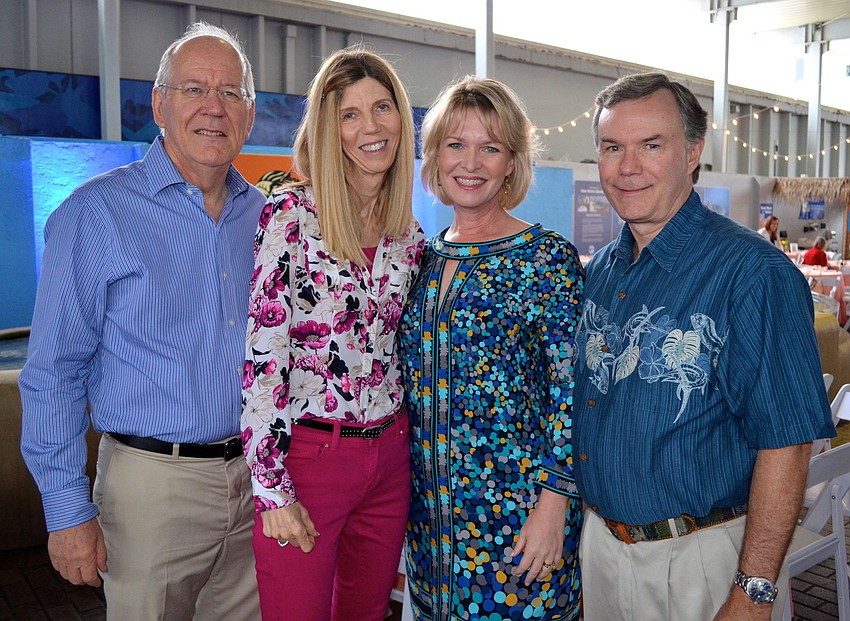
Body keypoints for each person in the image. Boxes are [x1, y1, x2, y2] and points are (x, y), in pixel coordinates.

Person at [19, 22, 263, 620]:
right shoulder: (96, 213)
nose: (213, 107)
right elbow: (54, 371)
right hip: (152, 491)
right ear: (158, 105)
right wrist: (67, 511)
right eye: (193, 89)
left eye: (230, 92)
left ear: (250, 115)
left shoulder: (266, 218)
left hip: (258, 483)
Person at [573, 71, 833, 621]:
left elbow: (787, 444)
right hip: (600, 552)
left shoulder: (753, 274)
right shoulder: (600, 271)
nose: (627, 167)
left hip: (701, 561)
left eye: (651, 145)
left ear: (693, 152)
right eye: (612, 147)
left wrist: (753, 593)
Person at [240, 46, 424, 621]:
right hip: (309, 460)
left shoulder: (408, 235)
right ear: (328, 129)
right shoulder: (292, 216)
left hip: (390, 459)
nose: (371, 127)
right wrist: (272, 488)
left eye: (383, 107)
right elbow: (264, 357)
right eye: (350, 114)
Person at [397, 76, 584, 620]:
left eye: (490, 147)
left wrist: (554, 505)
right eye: (456, 144)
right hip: (432, 529)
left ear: (511, 163)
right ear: (435, 157)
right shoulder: (421, 258)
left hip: (521, 521)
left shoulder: (545, 258)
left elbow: (572, 393)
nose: (471, 163)